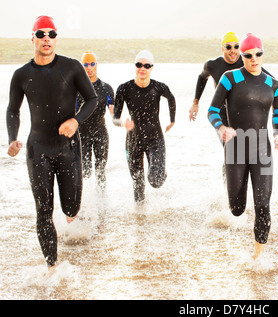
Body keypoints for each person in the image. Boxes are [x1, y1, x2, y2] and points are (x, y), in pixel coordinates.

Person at [6, 16, 97, 269]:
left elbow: (92, 99)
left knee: (70, 209)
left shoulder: (71, 67)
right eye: (42, 33)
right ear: (33, 38)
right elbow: (13, 110)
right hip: (38, 149)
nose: (47, 38)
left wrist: (76, 121)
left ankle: (73, 213)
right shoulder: (21, 74)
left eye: (52, 34)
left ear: (56, 38)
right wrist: (12, 138)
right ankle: (52, 268)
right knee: (43, 211)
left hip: (68, 148)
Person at [207, 33, 278, 259]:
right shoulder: (229, 78)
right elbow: (212, 110)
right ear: (242, 56)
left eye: (258, 54)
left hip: (262, 148)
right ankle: (230, 185)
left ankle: (258, 257)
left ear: (262, 53)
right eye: (248, 55)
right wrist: (221, 128)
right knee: (237, 209)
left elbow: (277, 113)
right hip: (236, 148)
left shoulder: (273, 84)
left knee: (262, 204)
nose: (254, 59)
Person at [113, 50, 176, 204]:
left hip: (155, 139)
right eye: (139, 65)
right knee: (138, 188)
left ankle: (162, 172)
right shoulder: (124, 89)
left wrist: (172, 120)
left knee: (155, 181)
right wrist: (122, 123)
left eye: (146, 65)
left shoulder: (158, 87)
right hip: (133, 141)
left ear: (151, 68)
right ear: (134, 66)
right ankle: (140, 223)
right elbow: (115, 117)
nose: (142, 68)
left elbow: (171, 99)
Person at [77, 51, 115, 191]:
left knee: (100, 169)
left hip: (100, 132)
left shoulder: (106, 88)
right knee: (85, 170)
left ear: (96, 65)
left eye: (92, 64)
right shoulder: (77, 88)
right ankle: (83, 202)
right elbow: (71, 113)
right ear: (82, 66)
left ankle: (101, 201)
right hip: (82, 133)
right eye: (86, 64)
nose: (89, 67)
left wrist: (114, 113)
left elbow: (114, 112)